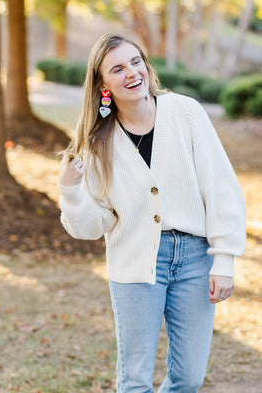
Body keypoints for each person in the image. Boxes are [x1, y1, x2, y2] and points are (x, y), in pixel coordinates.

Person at [58, 33, 246, 393]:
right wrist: (70, 191)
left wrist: (224, 260)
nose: (131, 72)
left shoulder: (185, 112)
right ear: (102, 85)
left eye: (135, 61)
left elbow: (220, 188)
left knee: (188, 378)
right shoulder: (98, 142)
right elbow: (93, 224)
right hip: (135, 262)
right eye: (117, 68)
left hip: (195, 260)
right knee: (135, 379)